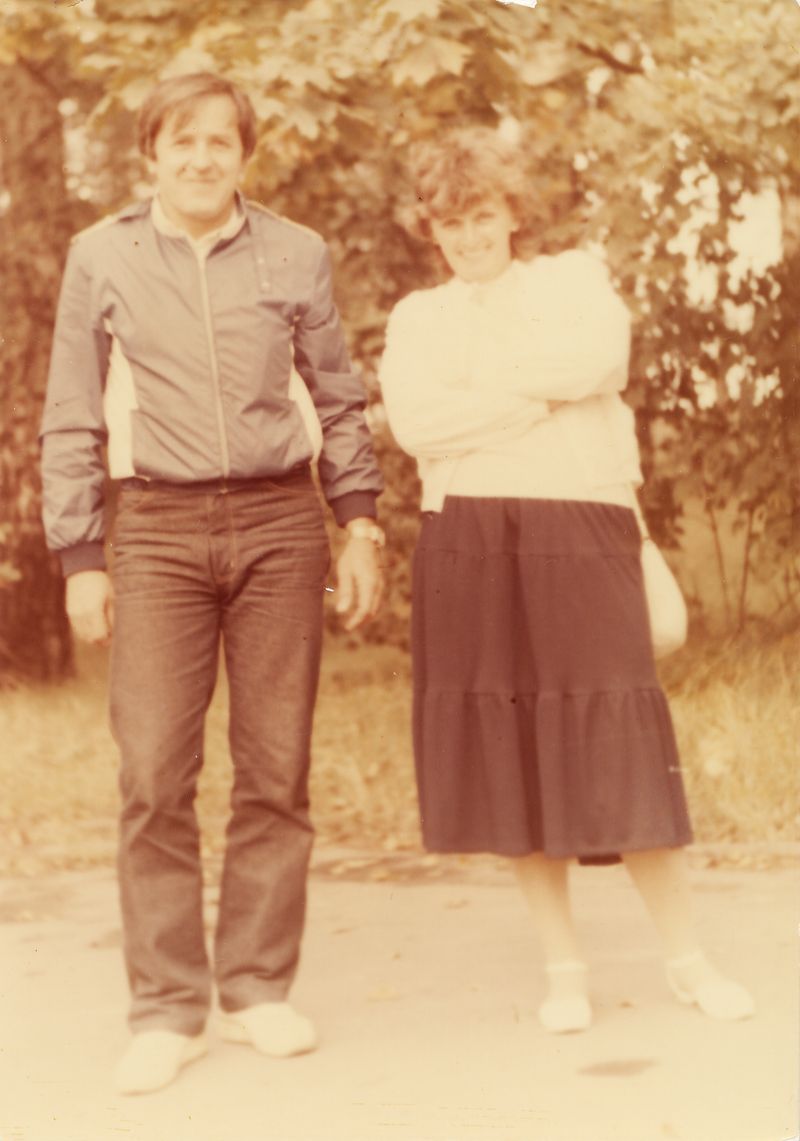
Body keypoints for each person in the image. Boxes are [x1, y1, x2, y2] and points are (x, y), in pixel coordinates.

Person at [40, 71, 385, 1094]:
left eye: (219, 142)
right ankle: (165, 1005)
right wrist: (80, 558)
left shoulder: (295, 253)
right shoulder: (99, 256)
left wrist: (358, 523)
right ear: (150, 150)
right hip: (153, 528)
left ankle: (256, 985)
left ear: (244, 153)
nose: (200, 158)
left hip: (282, 522)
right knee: (152, 771)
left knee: (275, 766)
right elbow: (71, 415)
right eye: (180, 140)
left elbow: (340, 397)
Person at [378, 127, 753, 1035]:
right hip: (467, 534)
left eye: (482, 215)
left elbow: (598, 363)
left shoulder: (573, 278)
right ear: (432, 228)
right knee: (513, 748)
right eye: (449, 222)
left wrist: (489, 397)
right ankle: (563, 966)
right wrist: (539, 397)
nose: (468, 236)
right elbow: (420, 424)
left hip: (579, 520)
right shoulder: (419, 318)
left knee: (617, 730)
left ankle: (688, 959)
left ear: (512, 213)